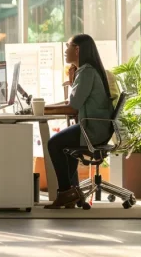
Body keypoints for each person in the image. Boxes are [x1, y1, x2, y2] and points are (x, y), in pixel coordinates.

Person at [44, 34, 115, 209]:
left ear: (77, 49)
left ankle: (66, 192)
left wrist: (44, 109)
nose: (65, 50)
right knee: (63, 144)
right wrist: (47, 108)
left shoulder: (86, 72)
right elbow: (74, 103)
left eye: (68, 46)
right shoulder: (86, 70)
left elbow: (73, 106)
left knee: (55, 143)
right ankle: (71, 192)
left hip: (92, 129)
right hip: (96, 126)